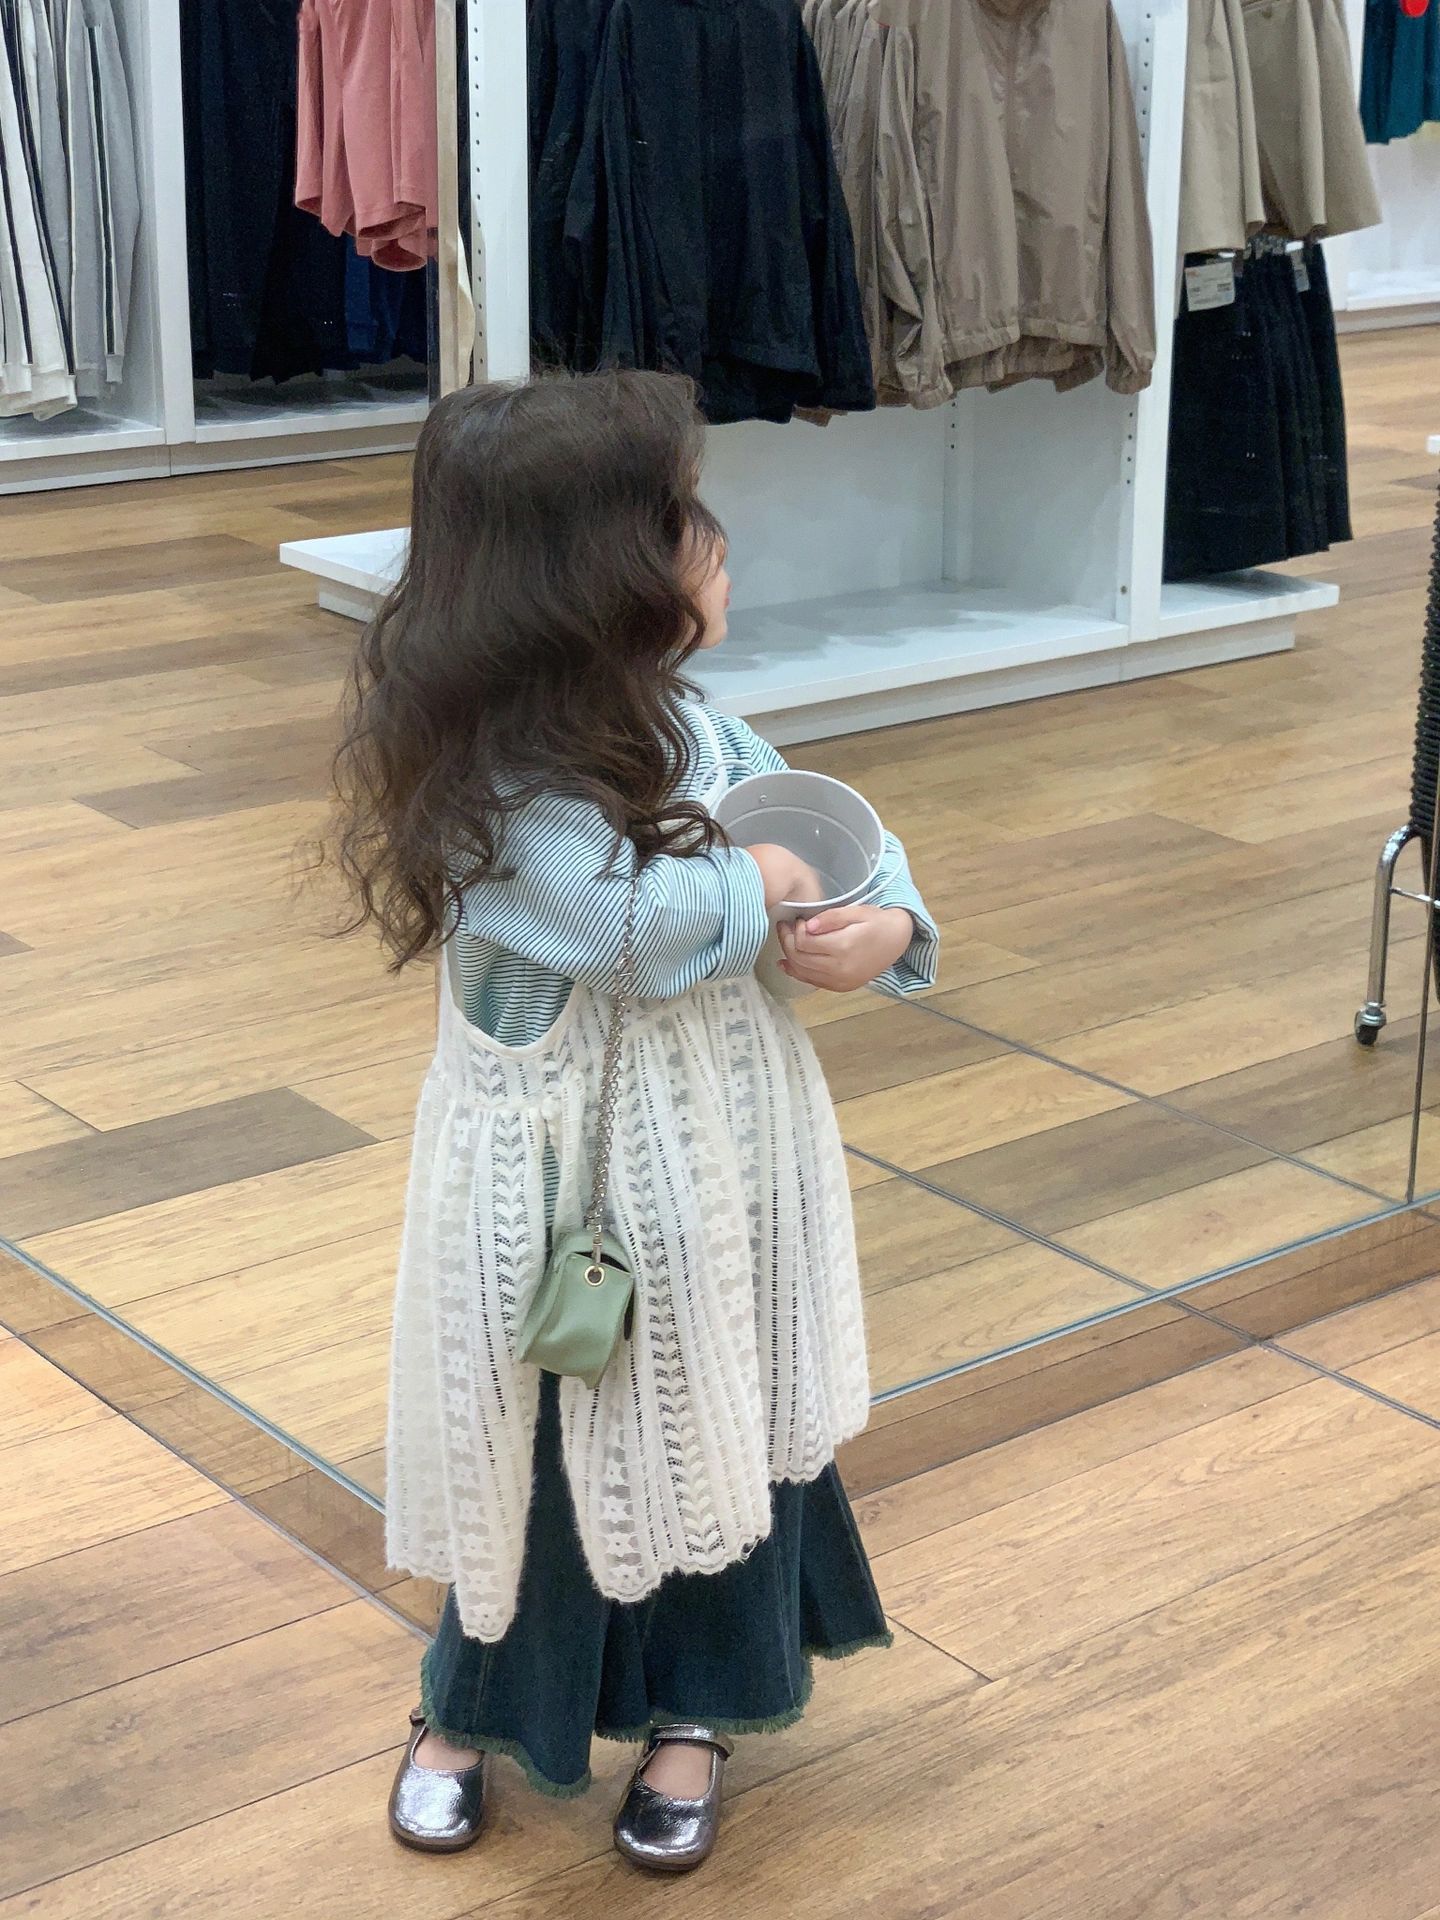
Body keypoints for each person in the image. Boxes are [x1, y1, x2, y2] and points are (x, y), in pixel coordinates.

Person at [327, 369, 939, 1873]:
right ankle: (471, 1707)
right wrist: (767, 888)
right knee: (535, 1448)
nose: (717, 542)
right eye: (680, 520)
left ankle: (697, 1711)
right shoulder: (487, 789)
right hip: (555, 1191)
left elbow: (839, 837)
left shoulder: (702, 726)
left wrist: (883, 922)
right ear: (589, 577)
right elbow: (637, 926)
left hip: (720, 1162)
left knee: (723, 1415)